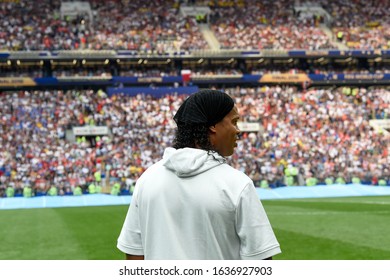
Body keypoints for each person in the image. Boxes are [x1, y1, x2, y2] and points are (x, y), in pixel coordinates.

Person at [117, 89, 281, 260]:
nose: (238, 130)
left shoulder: (147, 180)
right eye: (234, 122)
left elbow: (134, 253)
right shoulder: (238, 184)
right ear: (213, 125)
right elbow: (261, 259)